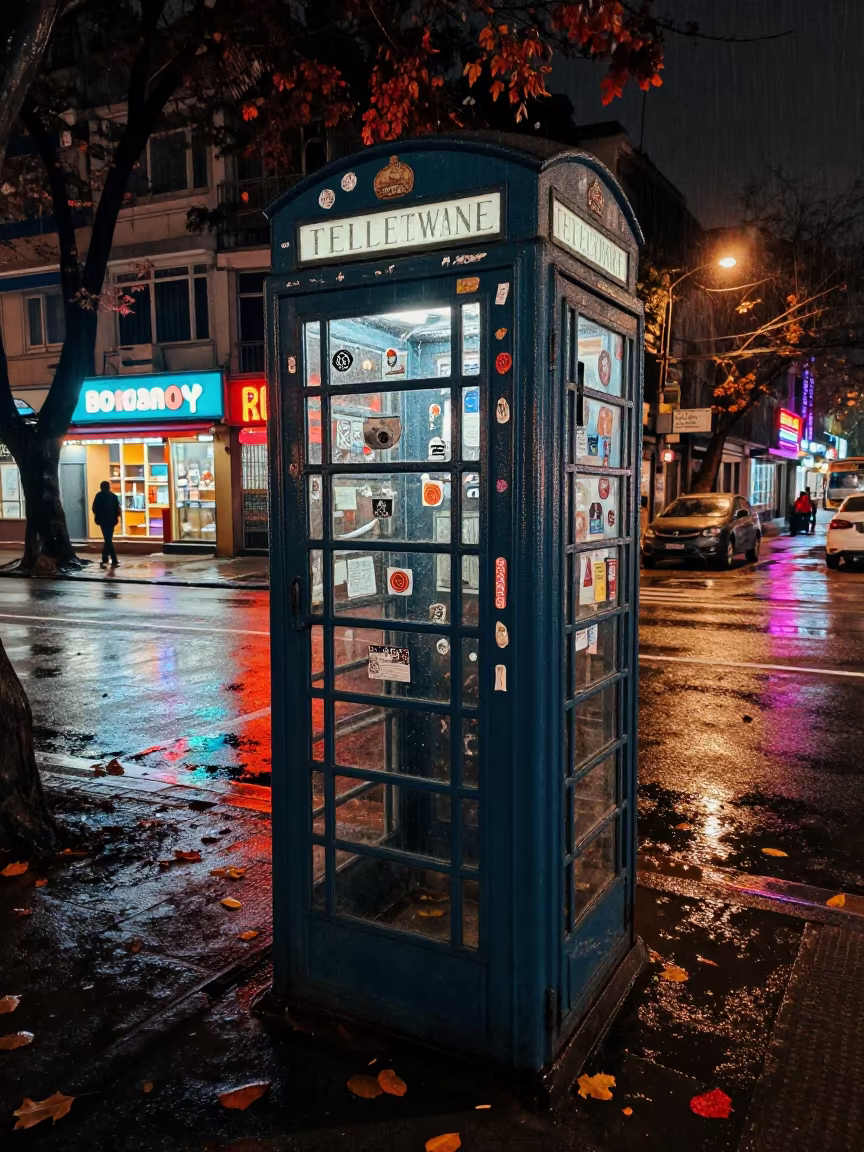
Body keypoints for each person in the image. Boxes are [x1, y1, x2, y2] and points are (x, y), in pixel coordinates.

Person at [92, 480, 121, 568]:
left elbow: (94, 508)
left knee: (107, 539)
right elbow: (118, 510)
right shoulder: (113, 496)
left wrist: (97, 517)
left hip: (103, 521)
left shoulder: (98, 496)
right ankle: (113, 559)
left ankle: (106, 558)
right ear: (108, 487)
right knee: (108, 539)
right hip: (111, 521)